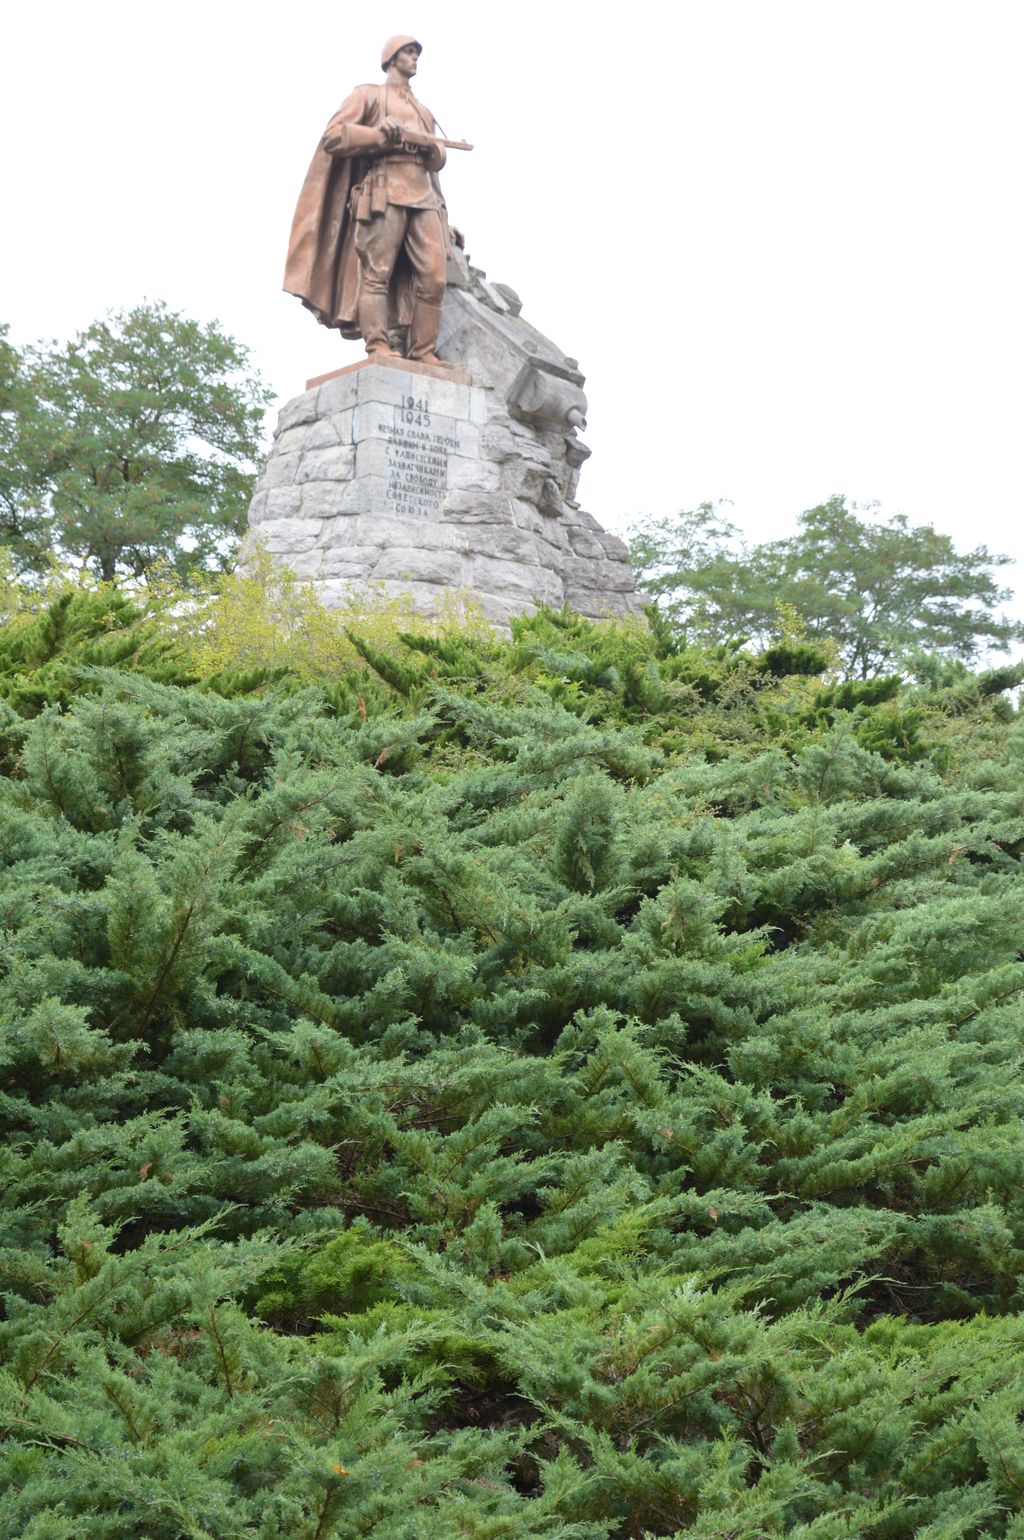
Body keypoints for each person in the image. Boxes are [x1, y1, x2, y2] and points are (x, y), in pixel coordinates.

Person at [283, 36, 454, 367]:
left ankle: (423, 351)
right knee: (377, 274)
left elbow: (436, 173)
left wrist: (445, 217)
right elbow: (334, 136)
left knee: (434, 279)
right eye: (408, 51)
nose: (415, 57)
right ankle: (377, 344)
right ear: (391, 58)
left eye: (417, 53)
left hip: (423, 196)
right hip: (384, 190)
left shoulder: (424, 111)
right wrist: (379, 135)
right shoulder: (369, 95)